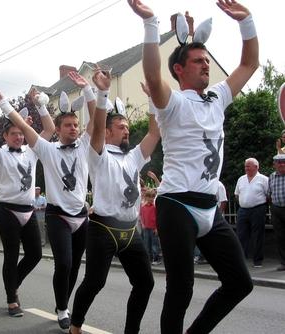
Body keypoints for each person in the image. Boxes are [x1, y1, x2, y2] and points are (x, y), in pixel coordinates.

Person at [129, 0, 258, 332]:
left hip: (210, 208)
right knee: (181, 289)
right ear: (179, 70)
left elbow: (249, 63)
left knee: (240, 282)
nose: (206, 65)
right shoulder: (171, 104)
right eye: (198, 61)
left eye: (206, 60)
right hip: (177, 204)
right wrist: (151, 24)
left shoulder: (217, 96)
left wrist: (248, 23)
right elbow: (151, 77)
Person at [0, 70, 95, 331]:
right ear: (57, 131)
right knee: (65, 263)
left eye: (75, 125)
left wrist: (91, 90)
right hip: (57, 215)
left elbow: (97, 119)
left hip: (81, 216)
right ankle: (60, 307)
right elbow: (24, 126)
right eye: (68, 125)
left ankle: (64, 303)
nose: (74, 128)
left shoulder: (85, 145)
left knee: (74, 269)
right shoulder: (46, 150)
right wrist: (3, 103)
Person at [69, 70, 159, 334]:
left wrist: (153, 100)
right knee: (95, 282)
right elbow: (96, 127)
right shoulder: (98, 154)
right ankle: (75, 325)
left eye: (127, 127)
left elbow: (154, 133)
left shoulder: (133, 157)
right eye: (121, 127)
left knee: (145, 283)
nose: (127, 129)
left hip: (131, 231)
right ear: (108, 133)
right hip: (103, 229)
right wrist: (102, 93)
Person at [0, 89, 54, 317]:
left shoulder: (32, 151)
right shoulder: (0, 154)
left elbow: (49, 130)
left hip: (28, 210)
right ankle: (12, 299)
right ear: (6, 137)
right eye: (14, 134)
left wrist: (40, 105)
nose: (19, 137)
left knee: (35, 254)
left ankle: (13, 283)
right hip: (8, 210)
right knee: (11, 255)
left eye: (21, 134)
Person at [234, 157, 268, 267]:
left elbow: (268, 195)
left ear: (256, 167)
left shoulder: (264, 179)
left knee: (257, 235)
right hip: (243, 210)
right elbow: (237, 194)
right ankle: (241, 259)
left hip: (258, 209)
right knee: (241, 235)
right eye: (245, 166)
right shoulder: (241, 179)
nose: (246, 168)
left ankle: (258, 261)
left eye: (248, 166)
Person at [267, 154, 285, 271]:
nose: (281, 165)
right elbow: (269, 193)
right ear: (274, 165)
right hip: (277, 209)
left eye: (283, 162)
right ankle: (284, 262)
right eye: (278, 163)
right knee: (280, 237)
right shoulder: (272, 176)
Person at [141, 188, 161, 265]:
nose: (150, 198)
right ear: (145, 197)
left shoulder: (155, 207)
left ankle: (156, 258)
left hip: (153, 228)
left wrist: (156, 228)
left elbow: (158, 217)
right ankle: (148, 259)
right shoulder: (143, 207)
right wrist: (143, 224)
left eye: (152, 197)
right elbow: (141, 216)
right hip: (146, 228)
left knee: (154, 244)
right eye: (148, 197)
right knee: (146, 244)